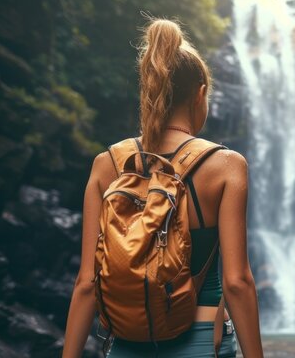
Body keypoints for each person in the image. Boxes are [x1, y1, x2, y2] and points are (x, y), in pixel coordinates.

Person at [62, 18, 264, 358]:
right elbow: (236, 282)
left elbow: (87, 283)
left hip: (126, 345)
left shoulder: (107, 165)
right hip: (201, 342)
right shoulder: (226, 165)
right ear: (201, 94)